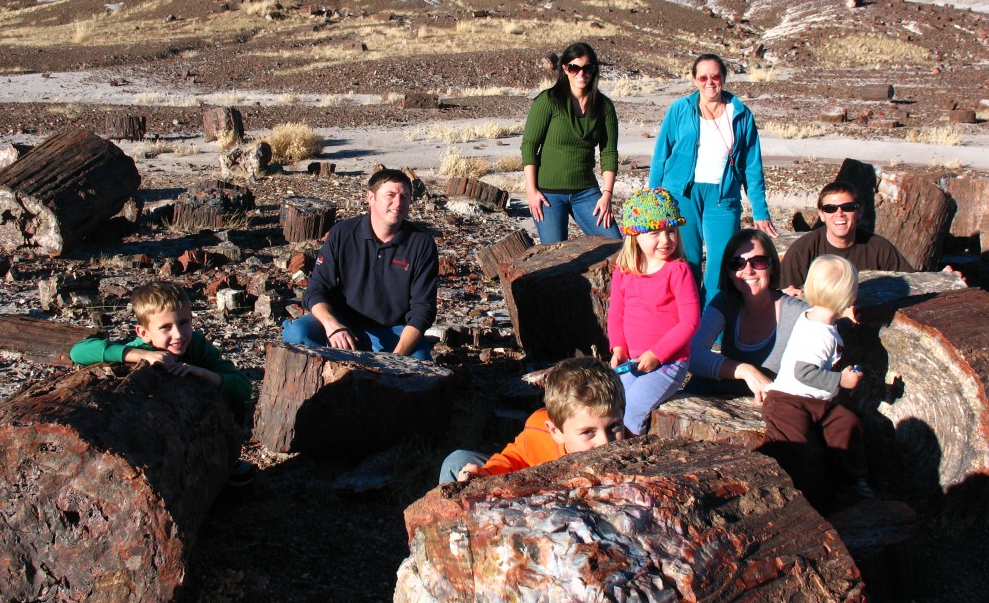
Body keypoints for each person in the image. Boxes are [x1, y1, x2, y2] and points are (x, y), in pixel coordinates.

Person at [69, 281, 254, 485]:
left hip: (194, 421)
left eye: (183, 323)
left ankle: (227, 459)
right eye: (166, 327)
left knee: (232, 398)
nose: (178, 334)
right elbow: (78, 352)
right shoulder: (142, 347)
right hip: (152, 428)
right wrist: (140, 355)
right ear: (144, 333)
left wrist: (202, 373)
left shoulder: (196, 345)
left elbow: (243, 387)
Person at [649, 53, 777, 307]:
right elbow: (661, 155)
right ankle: (687, 317)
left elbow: (752, 166)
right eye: (703, 77)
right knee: (688, 259)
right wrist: (654, 199)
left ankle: (712, 321)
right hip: (682, 195)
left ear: (724, 79)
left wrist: (760, 209)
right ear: (694, 79)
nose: (709, 82)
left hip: (723, 196)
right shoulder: (680, 109)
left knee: (721, 262)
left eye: (715, 76)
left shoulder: (741, 114)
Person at [282, 168, 438, 360]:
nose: (398, 203)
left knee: (419, 365)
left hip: (394, 330)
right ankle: (335, 367)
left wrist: (396, 360)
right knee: (296, 334)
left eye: (404, 197)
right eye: (390, 195)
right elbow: (316, 290)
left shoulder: (421, 244)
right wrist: (332, 326)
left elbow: (423, 309)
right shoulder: (342, 233)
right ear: (371, 198)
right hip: (343, 323)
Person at [762, 255, 873, 503]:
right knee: (793, 444)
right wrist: (841, 380)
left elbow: (828, 322)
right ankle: (791, 490)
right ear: (847, 296)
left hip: (816, 401)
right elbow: (804, 372)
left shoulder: (816, 317)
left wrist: (845, 316)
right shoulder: (818, 334)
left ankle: (852, 480)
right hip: (788, 400)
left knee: (846, 422)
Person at [438, 356, 625, 483]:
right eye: (588, 432)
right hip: (530, 489)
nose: (605, 442)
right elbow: (513, 459)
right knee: (456, 462)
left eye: (614, 427)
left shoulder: (630, 451)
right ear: (556, 432)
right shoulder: (538, 430)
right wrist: (485, 473)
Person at [607, 188, 699, 434]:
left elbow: (690, 321)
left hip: (668, 363)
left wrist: (658, 354)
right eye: (654, 233)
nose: (665, 240)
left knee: (632, 412)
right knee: (609, 406)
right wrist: (618, 348)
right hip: (632, 361)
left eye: (671, 231)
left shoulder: (678, 271)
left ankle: (632, 451)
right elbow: (616, 314)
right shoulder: (624, 270)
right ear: (635, 236)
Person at [687, 229, 808, 401]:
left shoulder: (796, 313)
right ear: (729, 271)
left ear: (772, 266)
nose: (749, 270)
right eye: (738, 263)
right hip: (718, 399)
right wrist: (746, 371)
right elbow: (693, 353)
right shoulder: (726, 302)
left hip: (772, 407)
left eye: (759, 262)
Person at [521, 42, 622, 245]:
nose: (581, 73)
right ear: (565, 69)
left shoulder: (604, 107)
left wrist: (607, 195)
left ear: (594, 70)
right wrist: (532, 191)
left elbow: (609, 152)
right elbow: (529, 146)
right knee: (555, 254)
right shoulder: (548, 101)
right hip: (548, 194)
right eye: (575, 68)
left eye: (587, 68)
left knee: (615, 246)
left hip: (586, 192)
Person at [781, 180, 913, 294]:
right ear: (821, 214)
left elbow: (912, 284)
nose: (839, 214)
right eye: (830, 209)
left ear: (859, 211)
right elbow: (785, 296)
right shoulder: (802, 250)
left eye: (848, 207)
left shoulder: (880, 249)